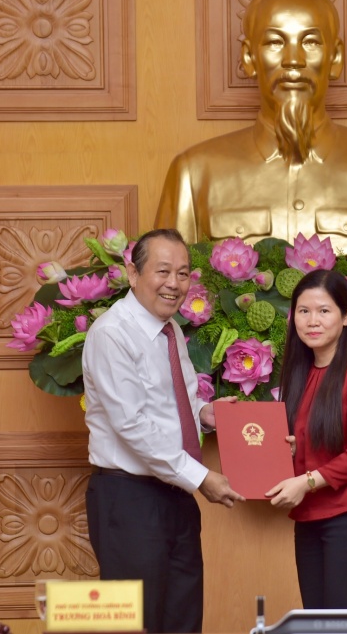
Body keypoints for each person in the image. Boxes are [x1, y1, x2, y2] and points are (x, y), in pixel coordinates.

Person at [155, 0, 347, 256]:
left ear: (335, 58)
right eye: (275, 42)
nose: (293, 60)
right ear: (249, 57)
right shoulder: (193, 175)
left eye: (310, 42)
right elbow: (166, 278)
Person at [82, 228, 245, 634]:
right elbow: (132, 424)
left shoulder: (169, 330)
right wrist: (201, 478)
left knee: (183, 622)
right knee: (135, 626)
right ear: (133, 273)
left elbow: (176, 400)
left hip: (176, 495)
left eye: (183, 273)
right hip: (129, 500)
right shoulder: (112, 334)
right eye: (163, 271)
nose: (174, 283)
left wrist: (205, 414)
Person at [266, 269, 347, 610]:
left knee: (342, 627)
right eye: (303, 311)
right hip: (312, 516)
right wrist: (294, 449)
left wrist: (306, 481)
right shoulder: (301, 372)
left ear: (346, 316)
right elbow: (322, 437)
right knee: (318, 625)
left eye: (324, 311)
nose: (312, 321)